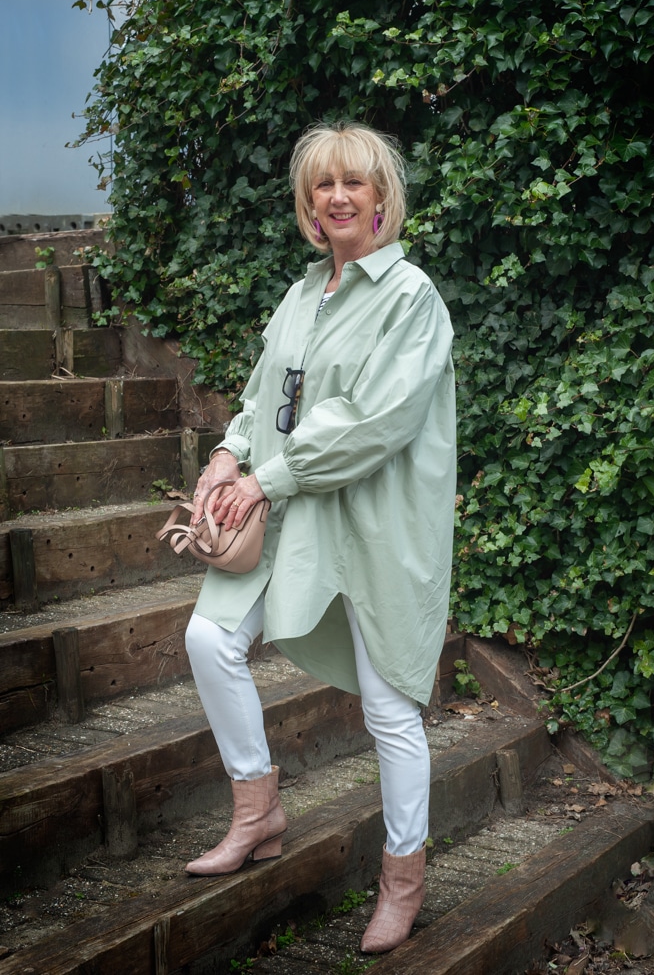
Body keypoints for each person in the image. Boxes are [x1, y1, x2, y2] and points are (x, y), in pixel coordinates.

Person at [185, 121, 456, 954]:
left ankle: (401, 882)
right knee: (207, 638)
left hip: (371, 525)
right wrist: (229, 452)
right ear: (308, 205)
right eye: (321, 187)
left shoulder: (411, 297)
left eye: (354, 183)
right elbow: (268, 395)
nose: (336, 198)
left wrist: (264, 476)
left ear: (381, 199)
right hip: (286, 509)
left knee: (388, 708)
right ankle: (258, 808)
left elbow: (372, 422)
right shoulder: (303, 292)